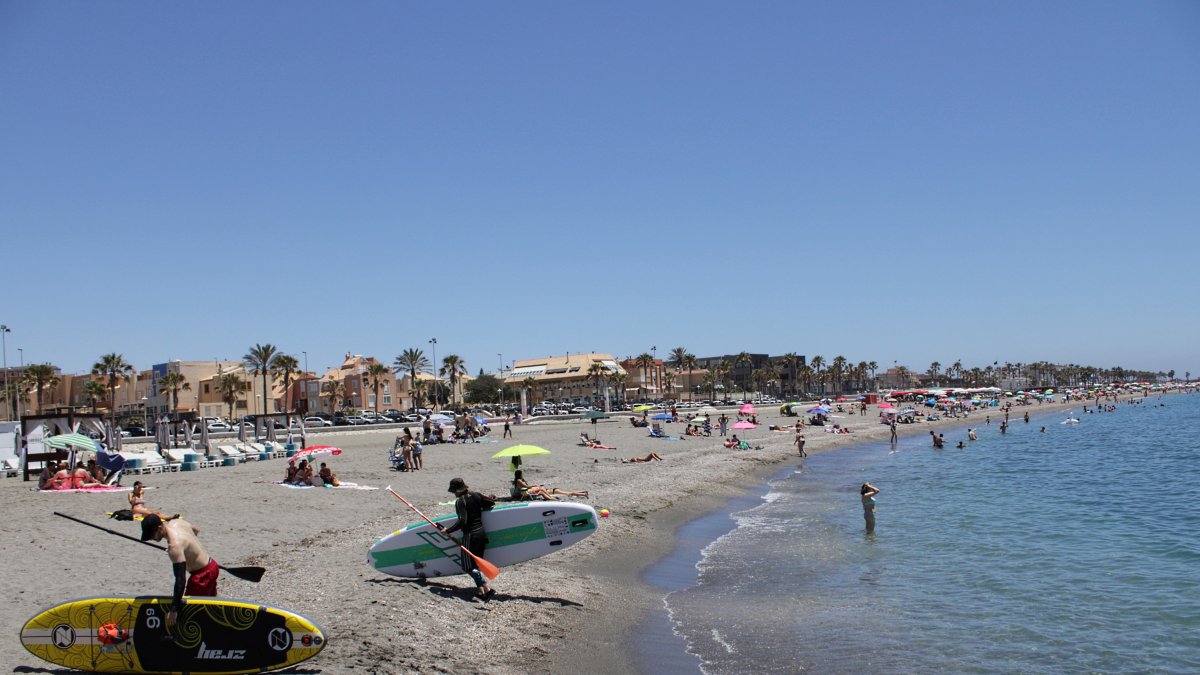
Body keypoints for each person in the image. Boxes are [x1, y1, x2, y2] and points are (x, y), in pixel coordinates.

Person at [141, 514, 218, 627]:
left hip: (202, 576)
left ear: (159, 528)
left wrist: (174, 609)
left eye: (152, 535)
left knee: (190, 612)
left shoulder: (174, 546)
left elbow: (180, 580)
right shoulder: (176, 522)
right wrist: (188, 549)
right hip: (212, 566)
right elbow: (196, 530)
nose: (152, 539)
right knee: (208, 606)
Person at [436, 478, 496, 600]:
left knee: (468, 566)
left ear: (457, 490)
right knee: (475, 565)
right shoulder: (476, 495)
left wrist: (448, 531)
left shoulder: (460, 501)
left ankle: (486, 590)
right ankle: (482, 592)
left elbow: (463, 521)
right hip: (481, 534)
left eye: (454, 491)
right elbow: (490, 502)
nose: (454, 494)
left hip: (470, 536)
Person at [512, 470, 588, 500]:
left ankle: (583, 493)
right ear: (520, 474)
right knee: (568, 492)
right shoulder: (519, 480)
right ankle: (583, 492)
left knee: (568, 493)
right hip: (551, 491)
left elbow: (525, 487)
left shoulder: (518, 480)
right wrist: (535, 486)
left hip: (551, 491)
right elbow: (526, 487)